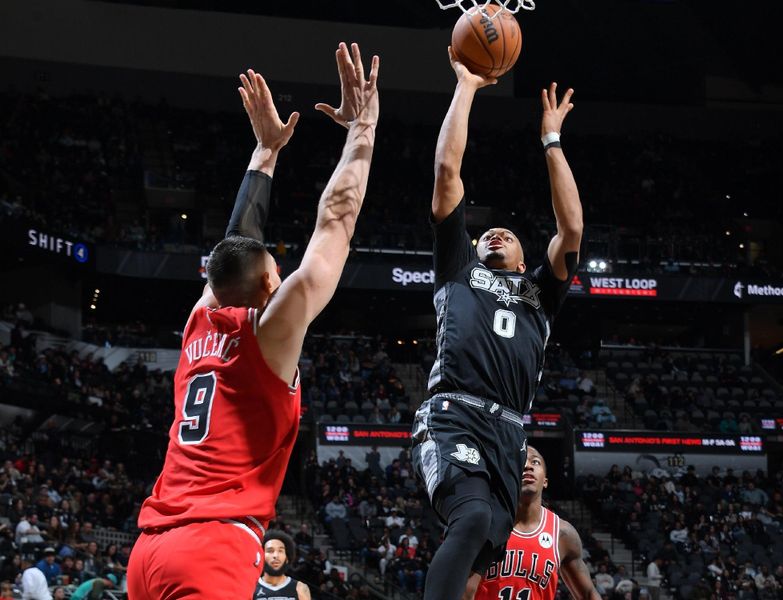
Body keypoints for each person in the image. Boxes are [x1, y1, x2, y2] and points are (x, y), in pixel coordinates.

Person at [128, 41, 380, 599]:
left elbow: (235, 247)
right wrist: (362, 128)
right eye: (275, 264)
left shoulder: (201, 321)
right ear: (270, 284)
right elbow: (336, 221)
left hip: (147, 551)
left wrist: (264, 153)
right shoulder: (271, 334)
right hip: (210, 548)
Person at [411, 46, 583, 600]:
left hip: (508, 430)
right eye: (488, 232)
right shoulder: (458, 269)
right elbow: (446, 172)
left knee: (488, 532)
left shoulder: (540, 293)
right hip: (455, 412)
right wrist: (466, 85)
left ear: (525, 253)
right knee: (470, 518)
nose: (495, 234)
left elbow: (572, 230)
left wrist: (551, 140)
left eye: (507, 233)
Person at [471, 447, 600, 600]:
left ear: (545, 481)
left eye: (535, 462)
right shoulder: (484, 524)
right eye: (521, 462)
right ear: (508, 476)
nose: (528, 466)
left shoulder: (562, 534)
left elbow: (589, 593)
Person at [253, 531, 311, 600]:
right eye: (270, 551)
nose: (276, 556)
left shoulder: (300, 588)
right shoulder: (250, 588)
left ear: (287, 558)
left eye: (280, 551)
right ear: (261, 556)